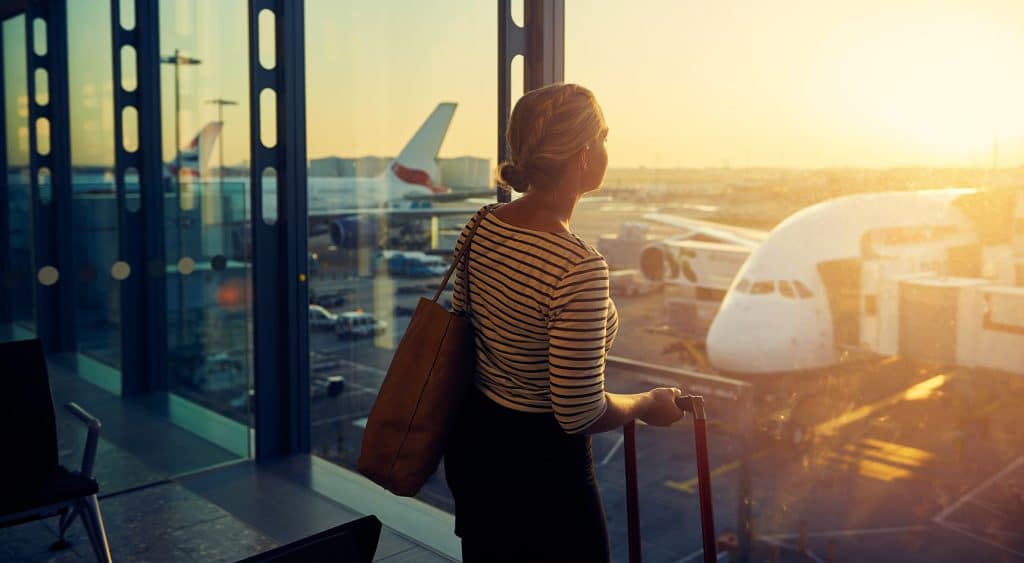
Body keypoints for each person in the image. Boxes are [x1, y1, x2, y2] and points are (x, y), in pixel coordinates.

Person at [443, 83, 685, 562]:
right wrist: (644, 404)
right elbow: (578, 413)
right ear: (584, 154)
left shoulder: (482, 223)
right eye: (606, 138)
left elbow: (464, 323)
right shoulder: (578, 266)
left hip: (476, 448)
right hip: (541, 476)